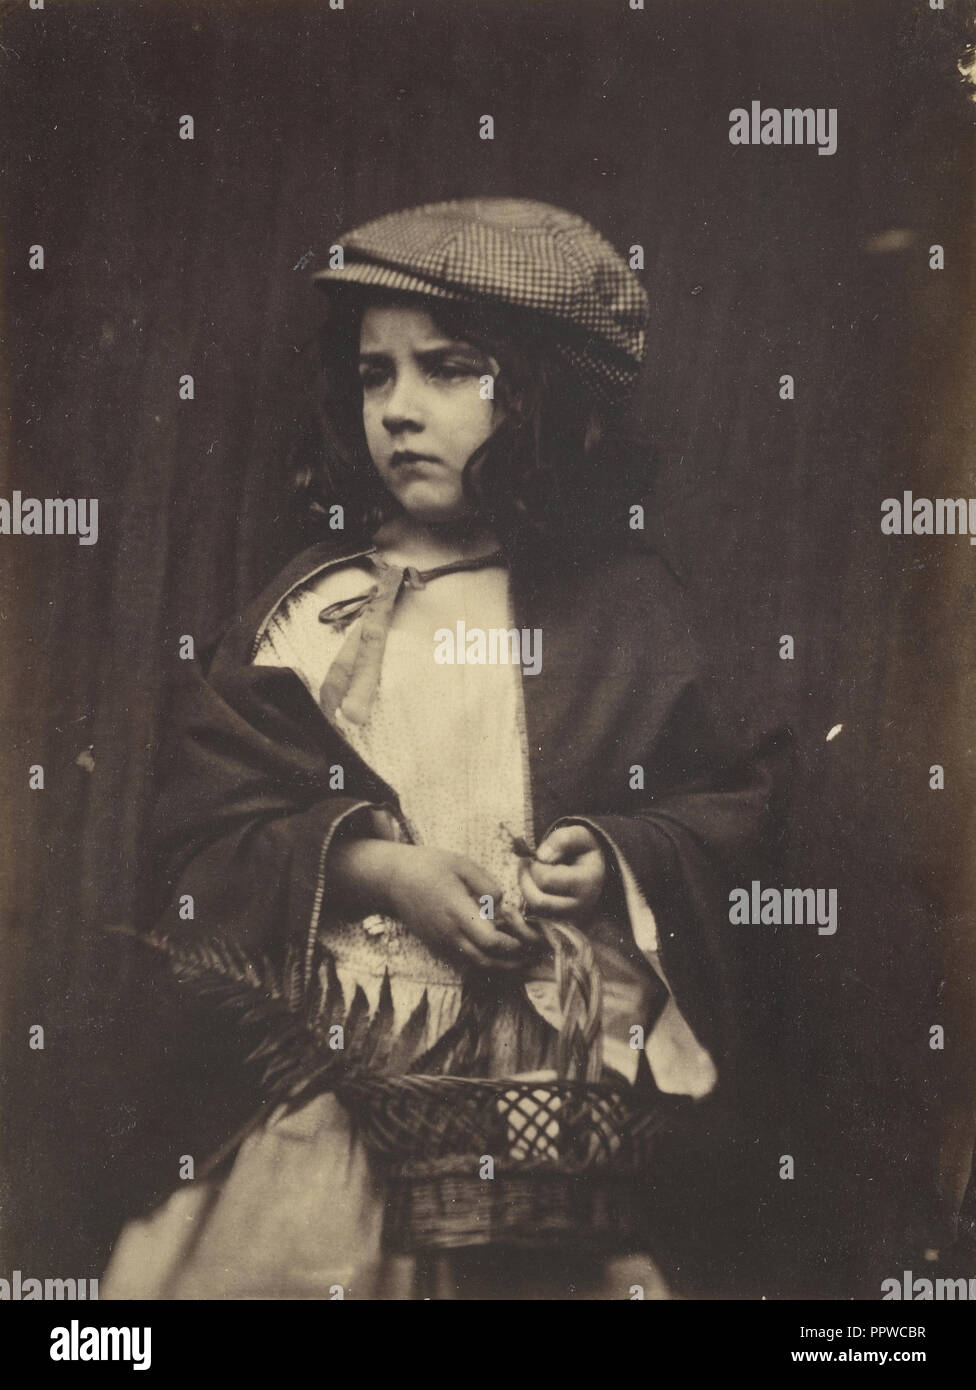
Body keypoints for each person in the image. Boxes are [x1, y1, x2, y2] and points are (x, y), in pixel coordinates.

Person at [101, 198, 789, 1300]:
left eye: (450, 370)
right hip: (330, 1078)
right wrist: (380, 869)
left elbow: (729, 811)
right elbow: (206, 833)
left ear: (545, 396)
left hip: (540, 1104)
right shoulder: (310, 612)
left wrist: (604, 859)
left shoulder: (626, 612)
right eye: (377, 375)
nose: (400, 411)